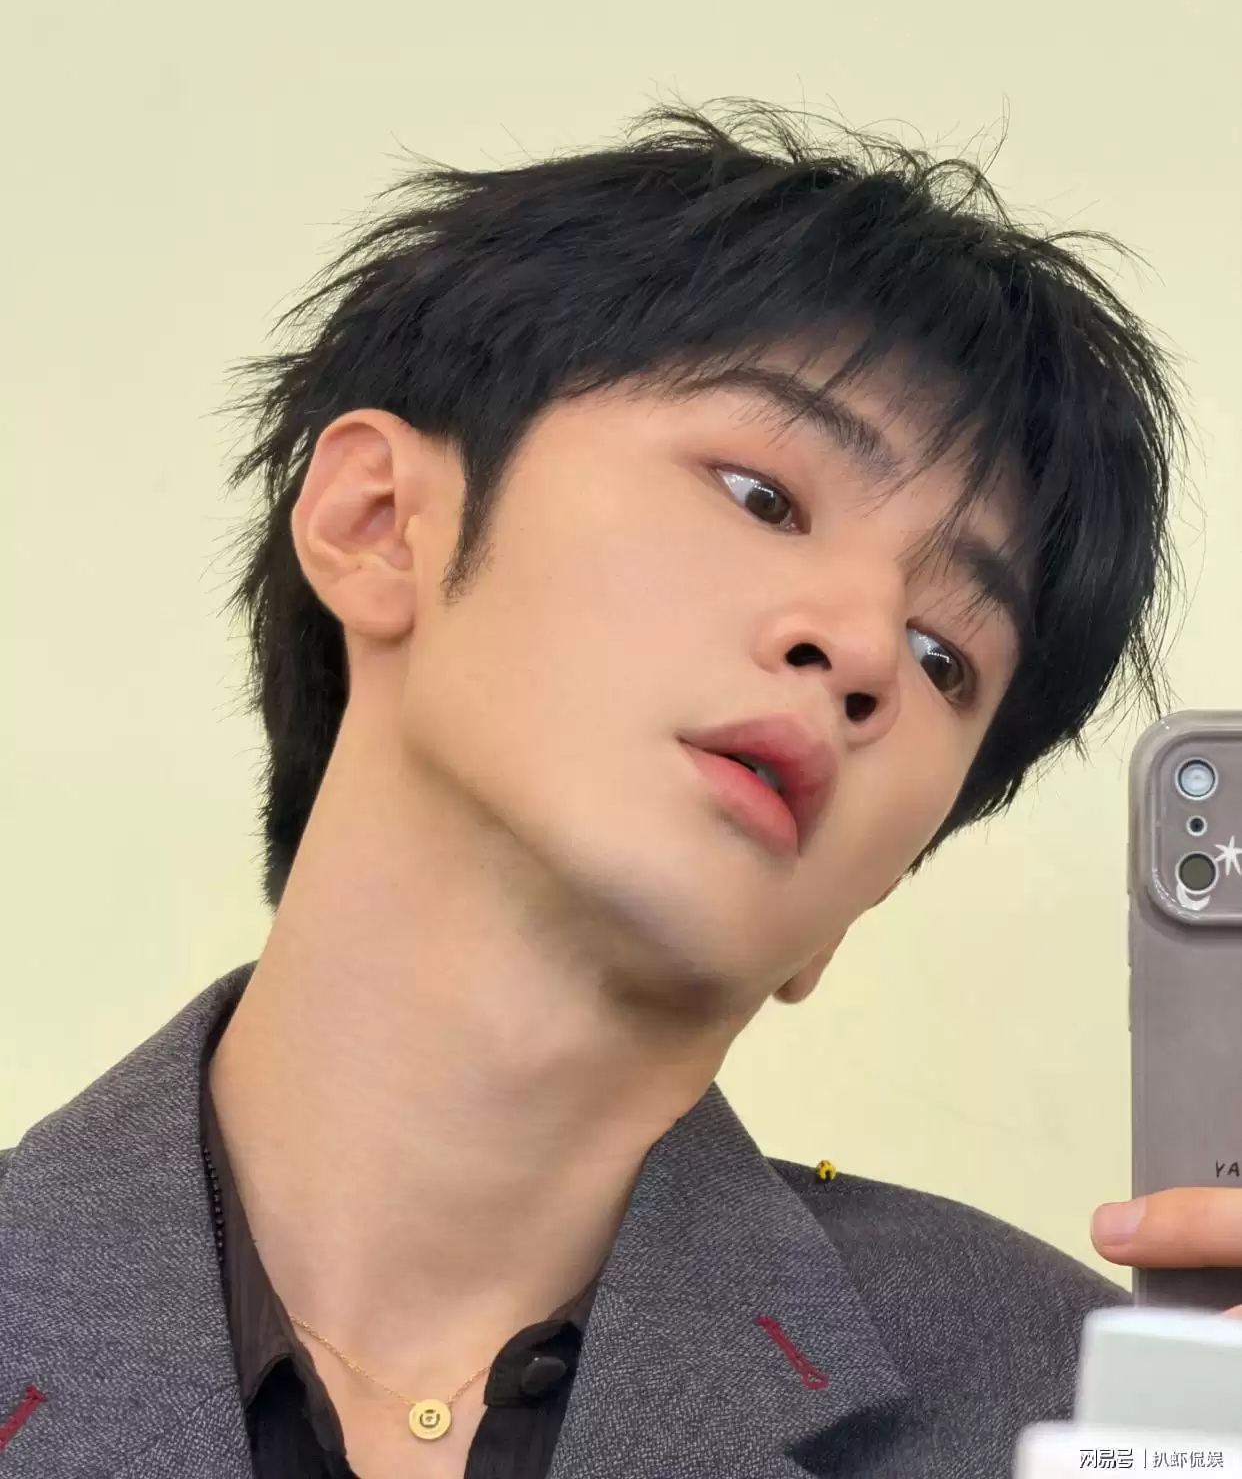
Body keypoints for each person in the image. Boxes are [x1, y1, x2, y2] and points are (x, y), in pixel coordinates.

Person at [1, 102, 1233, 1479]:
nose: (863, 650)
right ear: (378, 524)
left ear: (861, 899)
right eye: (762, 497)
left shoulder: (1089, 1413)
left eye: (947, 656)